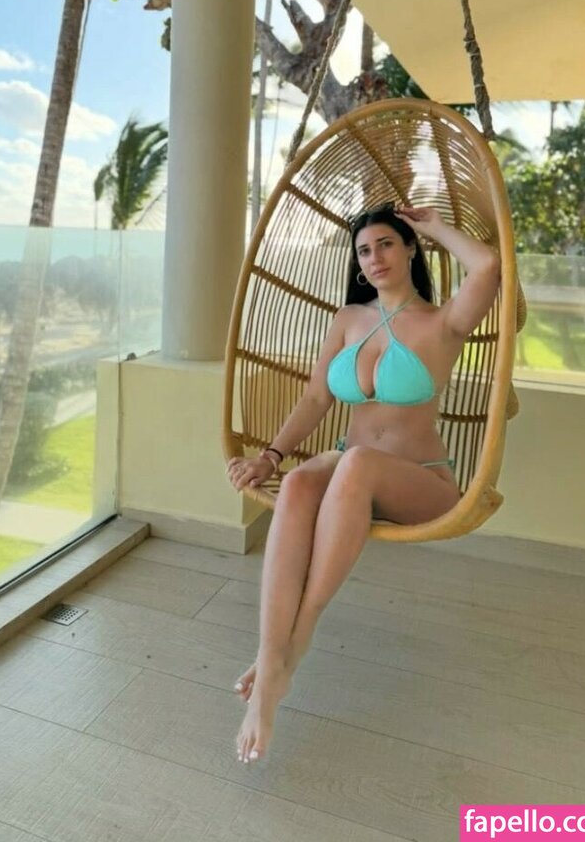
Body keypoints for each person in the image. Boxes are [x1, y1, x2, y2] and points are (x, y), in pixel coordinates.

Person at [226, 202, 500, 766]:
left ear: (410, 250)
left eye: (387, 244)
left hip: (420, 482)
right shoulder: (349, 318)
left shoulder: (443, 323)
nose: (374, 258)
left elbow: (489, 267)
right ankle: (271, 657)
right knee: (300, 482)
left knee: (352, 464)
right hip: (351, 468)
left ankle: (294, 646)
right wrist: (272, 457)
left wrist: (432, 225)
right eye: (364, 250)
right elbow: (315, 398)